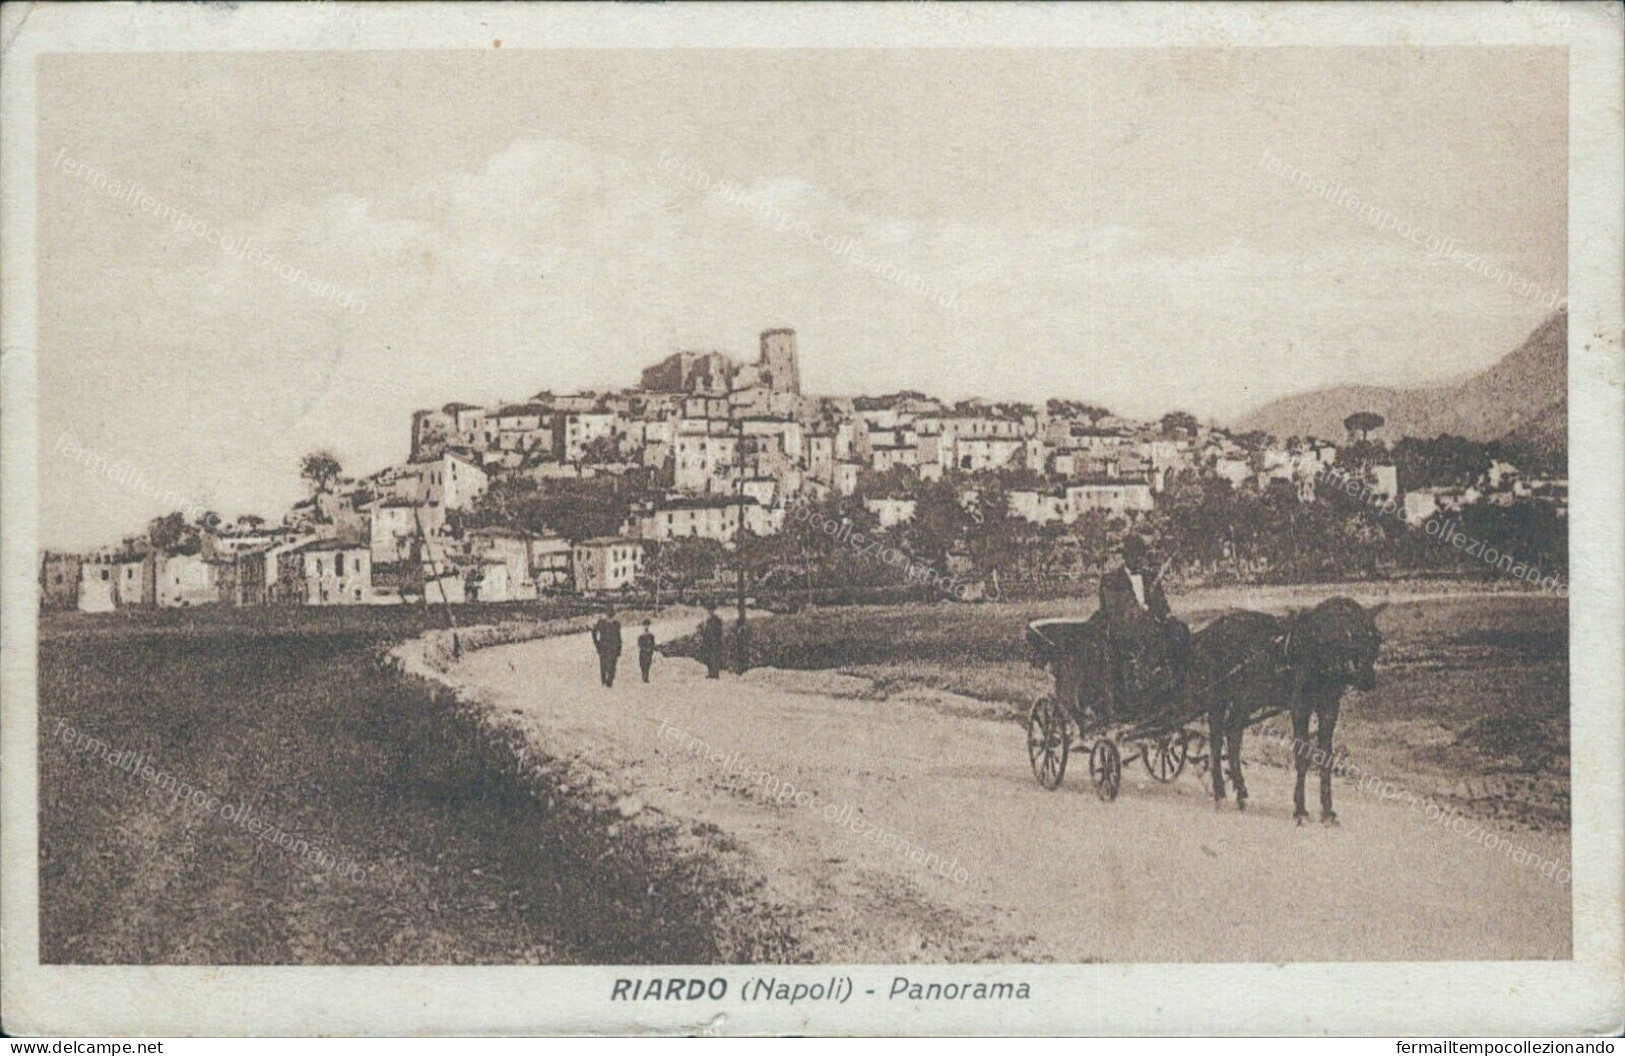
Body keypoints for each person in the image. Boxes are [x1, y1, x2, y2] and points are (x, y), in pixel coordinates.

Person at [1097, 536, 1189, 718]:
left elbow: (1162, 604)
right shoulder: (1111, 580)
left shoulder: (1150, 577)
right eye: (1135, 556)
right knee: (1141, 652)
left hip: (1150, 629)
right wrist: (1141, 613)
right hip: (1122, 633)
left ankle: (1177, 689)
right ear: (1126, 557)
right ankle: (1135, 703)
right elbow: (1115, 611)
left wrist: (1167, 616)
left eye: (1141, 556)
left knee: (1181, 632)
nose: (1139, 560)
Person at [591, 609, 622, 687]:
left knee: (612, 664)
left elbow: (618, 637)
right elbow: (594, 632)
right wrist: (597, 643)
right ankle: (604, 679)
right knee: (604, 664)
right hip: (604, 647)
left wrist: (619, 648)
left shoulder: (616, 624)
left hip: (612, 647)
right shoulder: (601, 623)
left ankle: (609, 680)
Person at [700, 606, 725, 679]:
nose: (710, 612)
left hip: (715, 641)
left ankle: (715, 674)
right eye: (709, 610)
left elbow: (719, 631)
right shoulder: (709, 621)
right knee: (710, 657)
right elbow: (706, 632)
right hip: (710, 641)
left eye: (711, 610)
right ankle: (711, 673)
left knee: (714, 657)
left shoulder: (716, 620)